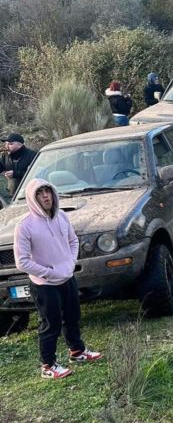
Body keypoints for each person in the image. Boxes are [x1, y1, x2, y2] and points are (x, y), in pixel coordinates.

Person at [13, 179, 103, 379]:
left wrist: (70, 263)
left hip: (67, 278)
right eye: (40, 193)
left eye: (48, 191)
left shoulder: (61, 216)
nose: (45, 196)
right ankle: (48, 365)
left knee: (72, 318)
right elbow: (22, 261)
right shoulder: (24, 226)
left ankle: (77, 352)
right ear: (32, 198)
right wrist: (50, 272)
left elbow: (73, 240)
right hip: (44, 285)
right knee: (50, 324)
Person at [0, 132, 37, 204]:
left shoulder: (32, 155)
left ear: (19, 144)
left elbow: (35, 174)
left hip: (30, 193)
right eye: (6, 143)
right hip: (13, 194)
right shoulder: (5, 155)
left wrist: (16, 174)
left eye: (10, 144)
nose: (7, 146)